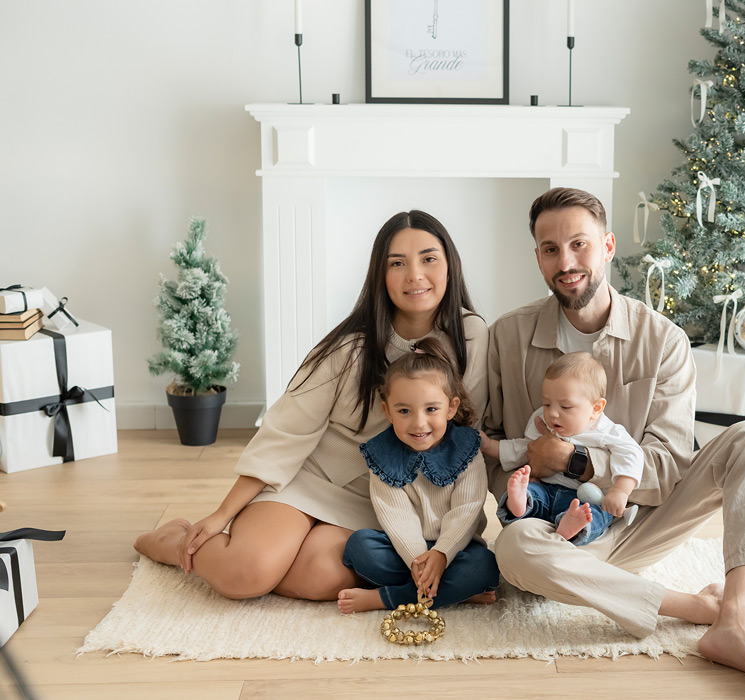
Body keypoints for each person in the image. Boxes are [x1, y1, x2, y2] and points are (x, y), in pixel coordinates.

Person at [484, 187, 745, 686]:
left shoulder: (663, 340)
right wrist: (524, 484)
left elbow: (669, 465)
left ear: (608, 246)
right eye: (550, 249)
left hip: (642, 518)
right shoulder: (507, 336)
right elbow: (489, 449)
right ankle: (706, 609)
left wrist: (574, 462)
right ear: (538, 257)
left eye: (579, 244)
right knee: (513, 548)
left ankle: (736, 617)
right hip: (558, 533)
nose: (566, 262)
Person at [134, 211, 488, 602]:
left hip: (382, 499)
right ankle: (175, 541)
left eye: (428, 258)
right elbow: (285, 432)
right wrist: (222, 514)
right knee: (246, 574)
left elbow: (461, 440)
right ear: (380, 274)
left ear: (450, 265)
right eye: (397, 263)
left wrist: (448, 550)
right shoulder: (350, 346)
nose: (415, 275)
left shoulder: (471, 335)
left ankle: (279, 552)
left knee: (325, 578)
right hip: (306, 480)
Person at [336, 338, 499, 613]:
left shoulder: (467, 447)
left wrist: (442, 554)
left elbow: (467, 509)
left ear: (451, 407)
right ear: (387, 410)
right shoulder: (382, 454)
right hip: (406, 553)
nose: (419, 423)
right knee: (358, 547)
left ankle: (386, 598)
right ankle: (452, 592)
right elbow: (397, 516)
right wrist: (418, 561)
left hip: (457, 550)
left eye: (431, 409)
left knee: (485, 566)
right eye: (404, 411)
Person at [480, 351, 642, 545]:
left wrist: (621, 490)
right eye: (547, 404)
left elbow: (631, 453)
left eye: (565, 407)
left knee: (599, 513)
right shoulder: (541, 420)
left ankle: (573, 527)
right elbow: (524, 448)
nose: (553, 414)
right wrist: (489, 446)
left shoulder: (607, 431)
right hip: (546, 490)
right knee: (533, 491)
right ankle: (521, 502)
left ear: (596, 408)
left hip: (585, 499)